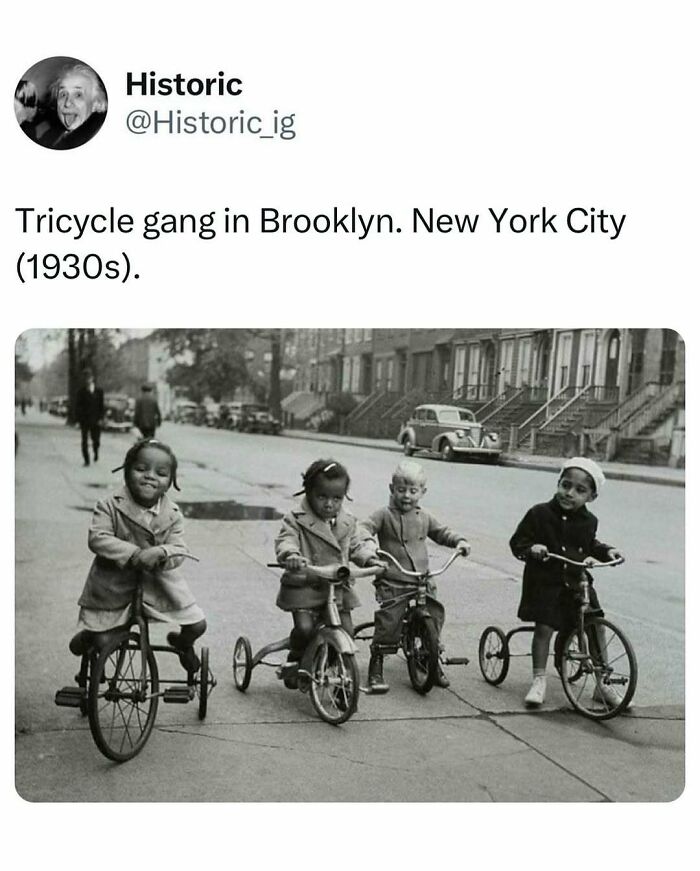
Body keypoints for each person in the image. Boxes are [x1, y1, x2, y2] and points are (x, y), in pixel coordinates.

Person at [69, 439, 206, 673]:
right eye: (141, 469)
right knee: (105, 641)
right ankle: (90, 638)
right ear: (126, 471)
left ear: (171, 481)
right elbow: (98, 537)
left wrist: (162, 552)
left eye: (161, 473)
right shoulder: (109, 505)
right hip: (114, 584)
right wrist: (133, 554)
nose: (150, 476)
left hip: (158, 585)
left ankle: (183, 644)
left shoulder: (172, 514)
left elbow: (179, 548)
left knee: (197, 624)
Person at [509, 457, 624, 707]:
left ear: (591, 497)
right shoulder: (539, 513)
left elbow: (589, 543)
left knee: (595, 625)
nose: (569, 493)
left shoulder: (589, 521)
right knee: (545, 628)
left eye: (579, 490)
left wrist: (607, 552)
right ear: (558, 483)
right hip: (546, 582)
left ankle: (601, 682)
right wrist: (533, 548)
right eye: (565, 485)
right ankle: (539, 679)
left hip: (577, 581)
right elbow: (517, 542)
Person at [356, 460, 470, 693]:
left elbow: (441, 532)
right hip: (393, 577)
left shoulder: (424, 516)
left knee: (434, 614)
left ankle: (431, 658)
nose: (406, 495)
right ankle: (376, 664)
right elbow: (364, 528)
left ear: (422, 492)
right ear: (391, 489)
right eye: (401, 490)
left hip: (421, 578)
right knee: (390, 621)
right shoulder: (384, 514)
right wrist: (368, 546)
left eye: (413, 490)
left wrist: (459, 541)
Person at [274, 459, 370, 688]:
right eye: (322, 497)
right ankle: (296, 657)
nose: (329, 504)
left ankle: (338, 673)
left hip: (336, 588)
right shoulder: (296, 518)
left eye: (336, 498)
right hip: (306, 585)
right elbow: (286, 539)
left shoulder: (347, 521)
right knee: (305, 628)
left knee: (347, 631)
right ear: (308, 492)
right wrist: (292, 555)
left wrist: (371, 556)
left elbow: (357, 544)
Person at [39, 63, 107, 150]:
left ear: (95, 104)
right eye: (63, 94)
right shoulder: (49, 135)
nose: (67, 103)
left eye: (78, 95)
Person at [75, 368, 104, 467]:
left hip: (96, 420)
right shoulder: (81, 392)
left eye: (89, 378)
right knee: (84, 441)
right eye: (85, 378)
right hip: (85, 420)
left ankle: (96, 452)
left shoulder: (99, 391)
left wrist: (101, 418)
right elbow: (78, 406)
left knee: (96, 440)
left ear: (92, 378)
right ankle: (86, 459)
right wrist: (78, 420)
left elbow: (101, 406)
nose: (87, 380)